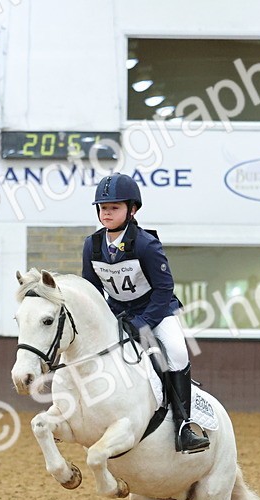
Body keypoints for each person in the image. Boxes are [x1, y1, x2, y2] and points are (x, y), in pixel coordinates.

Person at [81, 173, 209, 454]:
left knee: (177, 352)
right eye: (103, 208)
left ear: (132, 210)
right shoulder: (92, 245)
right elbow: (92, 290)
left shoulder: (146, 244)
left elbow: (164, 289)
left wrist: (145, 323)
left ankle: (184, 425)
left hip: (156, 311)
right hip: (117, 312)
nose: (107, 213)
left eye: (114, 207)